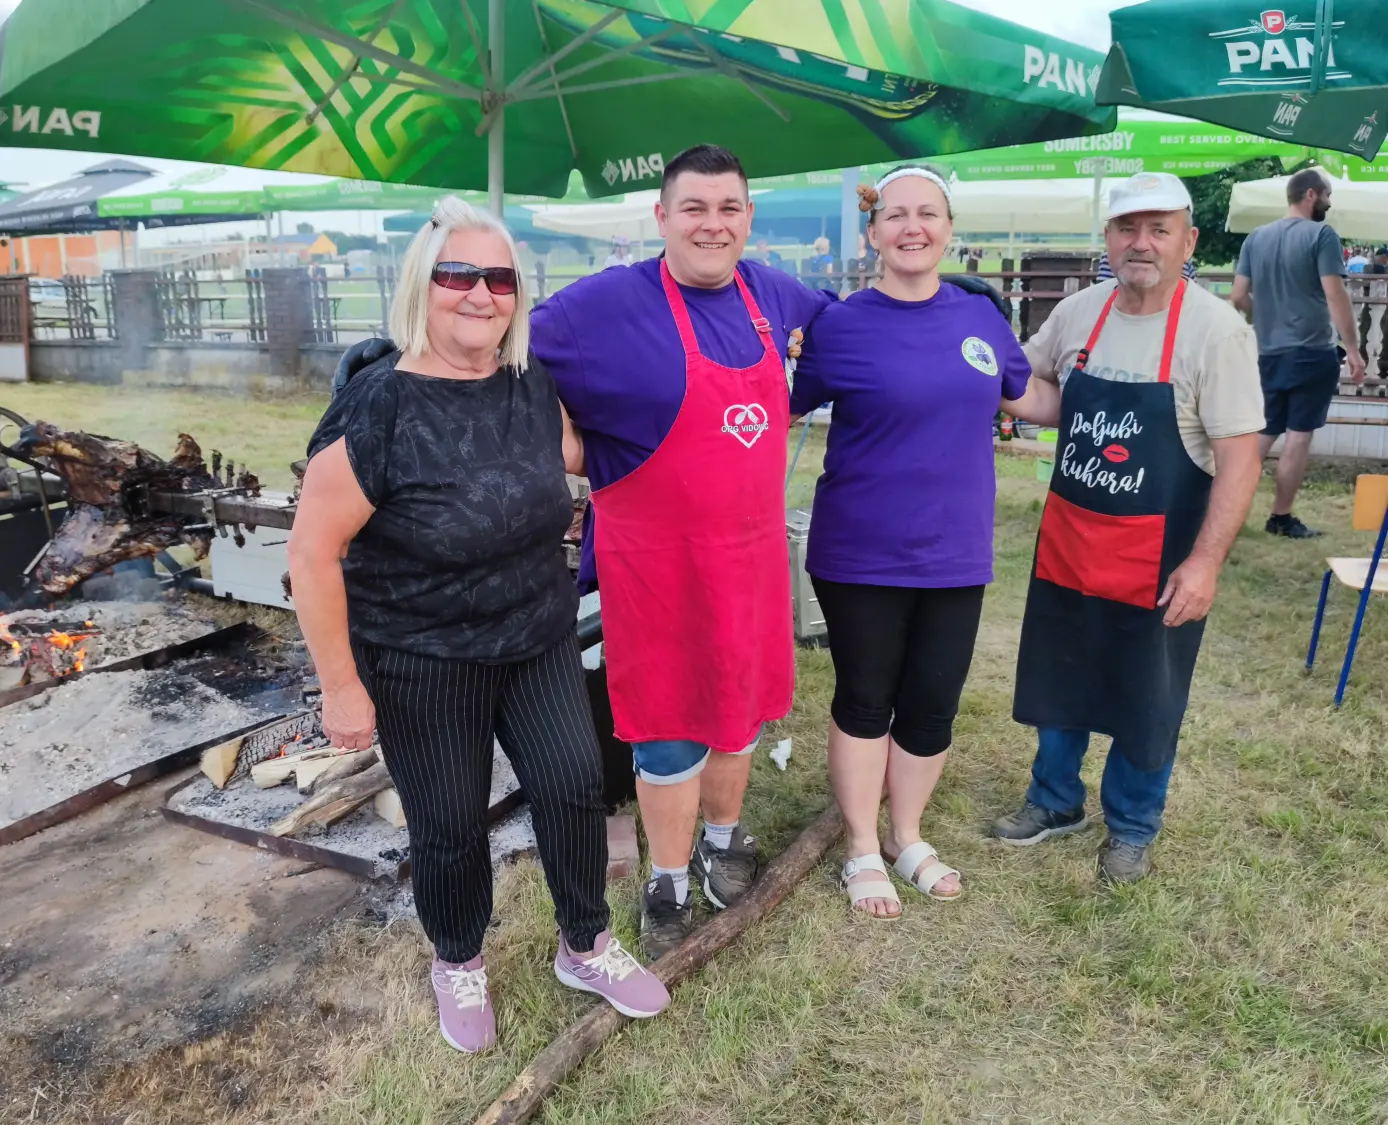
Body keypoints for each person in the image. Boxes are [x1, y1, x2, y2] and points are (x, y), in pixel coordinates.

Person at [291, 197, 669, 1054]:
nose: (479, 293)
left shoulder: (532, 386)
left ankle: (586, 941)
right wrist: (342, 686)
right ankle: (458, 955)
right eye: (458, 274)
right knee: (452, 822)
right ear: (423, 286)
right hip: (421, 656)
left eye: (498, 278)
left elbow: (581, 454)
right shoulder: (379, 406)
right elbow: (312, 554)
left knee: (574, 785)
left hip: (534, 637)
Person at [530, 145, 836, 960]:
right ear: (661, 218)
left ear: (747, 219)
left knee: (738, 709)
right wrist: (572, 447)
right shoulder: (600, 306)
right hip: (654, 562)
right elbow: (511, 358)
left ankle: (723, 841)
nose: (713, 223)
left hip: (751, 555)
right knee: (667, 724)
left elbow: (842, 337)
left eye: (729, 208)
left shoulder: (774, 294)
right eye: (693, 208)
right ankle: (667, 875)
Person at [789, 167, 1061, 917]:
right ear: (874, 232)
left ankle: (906, 833)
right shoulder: (840, 323)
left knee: (934, 702)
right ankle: (859, 845)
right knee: (866, 697)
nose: (913, 228)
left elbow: (1031, 397)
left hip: (956, 550)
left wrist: (1118, 389)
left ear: (948, 228)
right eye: (897, 215)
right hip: (859, 551)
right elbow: (773, 401)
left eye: (929, 215)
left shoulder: (980, 319)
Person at [993, 172, 1265, 883]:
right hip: (1073, 540)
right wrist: (985, 367)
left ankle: (1133, 823)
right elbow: (1046, 395)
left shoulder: (1216, 332)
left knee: (1148, 693)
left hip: (1161, 553)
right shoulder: (1081, 311)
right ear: (1108, 238)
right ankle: (1054, 800)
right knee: (1061, 672)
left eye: (1158, 228)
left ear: (1188, 240)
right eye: (1126, 228)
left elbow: (1241, 458)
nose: (1140, 243)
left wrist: (1205, 563)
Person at [1230, 168, 1366, 539]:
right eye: (1327, 195)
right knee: (1299, 434)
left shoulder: (1256, 238)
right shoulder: (1321, 235)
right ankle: (1281, 517)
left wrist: (1268, 317)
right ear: (1310, 195)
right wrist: (1353, 348)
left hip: (1267, 352)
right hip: (1309, 350)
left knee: (1264, 432)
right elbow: (1335, 294)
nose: (1329, 202)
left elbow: (1239, 297)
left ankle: (1225, 510)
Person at [1097, 249, 1196, 281]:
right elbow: (1103, 293)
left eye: (1159, 231)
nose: (1141, 245)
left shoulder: (1182, 257)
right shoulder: (1113, 254)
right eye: (1128, 230)